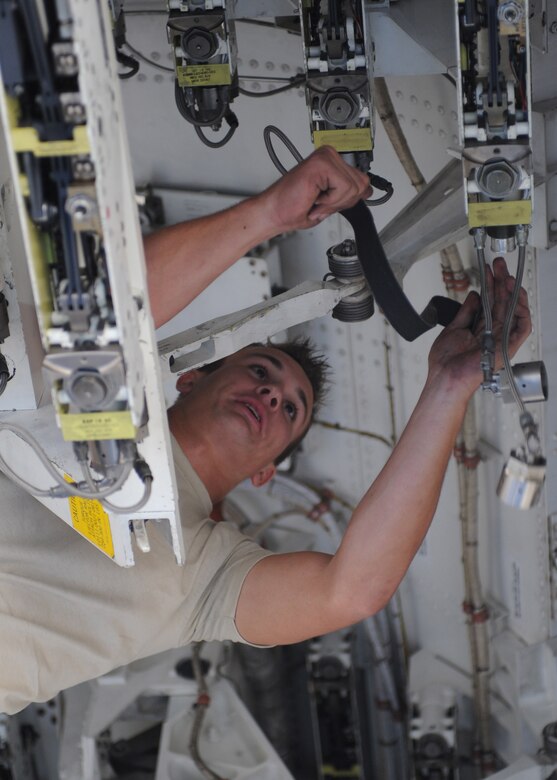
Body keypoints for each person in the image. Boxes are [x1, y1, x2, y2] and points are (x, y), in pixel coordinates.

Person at [0, 147, 531, 714]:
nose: (272, 395)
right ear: (190, 380)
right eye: (259, 371)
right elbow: (103, 315)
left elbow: (348, 591)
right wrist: (273, 212)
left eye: (291, 410)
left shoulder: (207, 576)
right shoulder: (80, 393)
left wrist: (449, 387)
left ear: (266, 471)